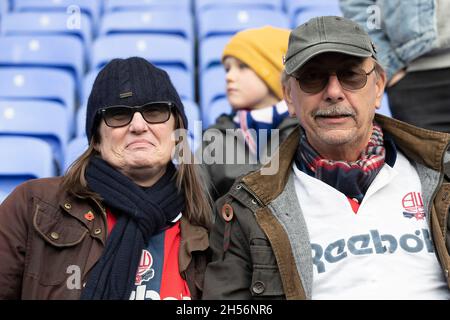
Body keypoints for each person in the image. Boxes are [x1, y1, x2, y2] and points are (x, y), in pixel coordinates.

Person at [203, 16, 450, 299]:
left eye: (351, 75)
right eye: (312, 78)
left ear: (379, 86)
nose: (333, 93)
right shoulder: (246, 207)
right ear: (289, 97)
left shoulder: (443, 176)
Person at [0, 57, 211, 300]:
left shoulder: (208, 226)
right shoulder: (34, 204)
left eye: (155, 111)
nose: (139, 126)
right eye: (119, 115)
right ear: (96, 139)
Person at [199, 26, 298, 201]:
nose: (229, 76)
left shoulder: (304, 131)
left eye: (242, 66)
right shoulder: (214, 137)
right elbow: (196, 208)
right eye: (227, 69)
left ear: (275, 72)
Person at [340, 0, 450, 132]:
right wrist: (390, 68)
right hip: (414, 79)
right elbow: (357, 7)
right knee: (427, 151)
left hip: (411, 77)